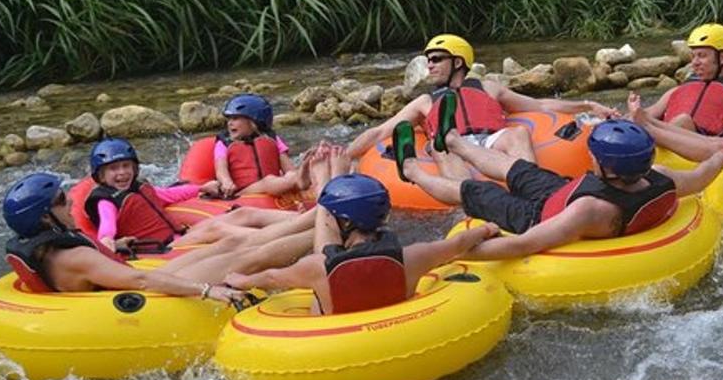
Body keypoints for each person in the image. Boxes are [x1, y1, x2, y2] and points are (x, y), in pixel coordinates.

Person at [396, 120, 723, 261]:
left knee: (471, 190)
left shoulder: (591, 211)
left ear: (607, 167)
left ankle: (409, 168)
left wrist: (451, 255)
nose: (589, 155)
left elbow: (525, 244)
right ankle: (453, 140)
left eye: (594, 155)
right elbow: (702, 175)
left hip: (534, 217)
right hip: (564, 191)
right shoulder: (661, 177)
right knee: (516, 168)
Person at [3, 172, 314, 301]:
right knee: (246, 258)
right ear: (44, 217)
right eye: (60, 200)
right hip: (146, 297)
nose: (70, 201)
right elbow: (141, 282)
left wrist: (118, 245)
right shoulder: (73, 257)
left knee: (230, 242)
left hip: (124, 280)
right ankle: (322, 228)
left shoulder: (53, 250)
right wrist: (207, 291)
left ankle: (315, 217)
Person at [225, 175, 500, 315]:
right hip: (399, 332)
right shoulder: (412, 257)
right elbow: (457, 244)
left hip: (332, 345)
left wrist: (241, 280)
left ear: (343, 223)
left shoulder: (316, 268)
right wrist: (486, 229)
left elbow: (271, 277)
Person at [346, 34, 616, 177]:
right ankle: (470, 205)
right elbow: (379, 133)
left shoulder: (488, 87)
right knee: (442, 146)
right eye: (428, 60)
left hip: (490, 141)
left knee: (518, 133)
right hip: (453, 147)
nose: (430, 65)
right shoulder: (425, 101)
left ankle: (533, 187)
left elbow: (540, 105)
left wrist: (587, 105)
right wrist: (345, 155)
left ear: (458, 62)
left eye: (437, 59)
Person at [83, 138, 298, 253]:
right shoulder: (106, 201)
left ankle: (307, 219)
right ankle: (284, 239)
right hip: (162, 248)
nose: (122, 173)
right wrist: (107, 241)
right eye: (113, 169)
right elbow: (107, 227)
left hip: (180, 236)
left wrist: (202, 187)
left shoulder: (138, 189)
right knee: (218, 229)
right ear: (100, 175)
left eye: (126, 166)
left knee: (244, 214)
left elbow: (169, 194)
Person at [629, 23, 723, 161]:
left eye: (701, 56)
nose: (695, 63)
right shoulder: (677, 90)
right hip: (669, 143)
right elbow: (646, 114)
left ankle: (649, 139)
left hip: (706, 145)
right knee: (639, 119)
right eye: (693, 56)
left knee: (684, 120)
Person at [213, 93, 345, 199]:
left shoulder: (272, 139)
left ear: (254, 121)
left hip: (273, 185)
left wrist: (296, 174)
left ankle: (326, 181)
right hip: (243, 192)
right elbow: (221, 170)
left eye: (236, 119)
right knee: (269, 181)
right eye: (229, 119)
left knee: (290, 177)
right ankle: (303, 181)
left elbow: (289, 168)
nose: (230, 123)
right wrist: (226, 182)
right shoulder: (223, 143)